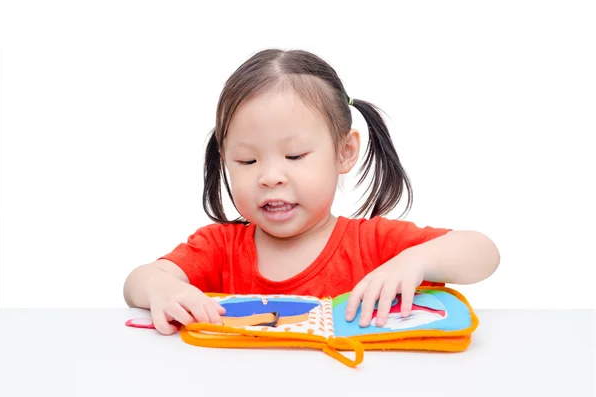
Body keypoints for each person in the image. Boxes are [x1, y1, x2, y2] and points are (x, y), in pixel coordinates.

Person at [123, 48, 500, 335]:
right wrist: (160, 288)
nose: (270, 177)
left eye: (294, 155)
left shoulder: (372, 244)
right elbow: (138, 281)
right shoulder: (219, 248)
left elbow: (483, 252)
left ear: (345, 151)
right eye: (246, 161)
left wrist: (413, 263)